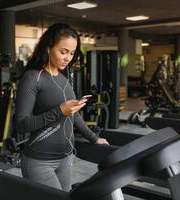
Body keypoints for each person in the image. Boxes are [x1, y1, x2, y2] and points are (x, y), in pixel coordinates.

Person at [15, 23, 109, 192]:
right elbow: (21, 124)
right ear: (48, 47)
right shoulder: (33, 78)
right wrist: (59, 111)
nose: (68, 58)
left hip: (65, 159)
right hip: (39, 161)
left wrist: (93, 138)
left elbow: (74, 116)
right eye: (63, 51)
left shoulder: (64, 78)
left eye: (72, 53)